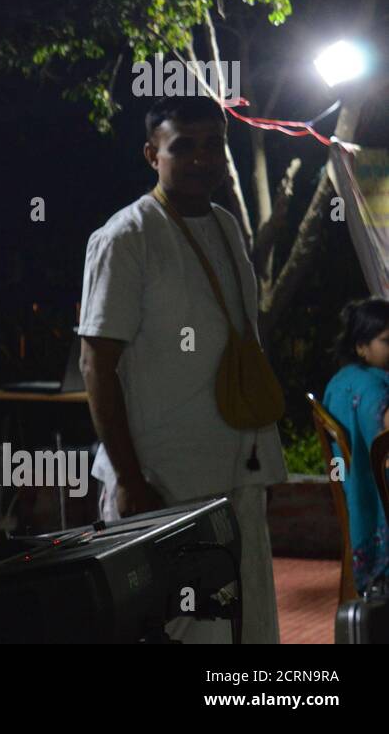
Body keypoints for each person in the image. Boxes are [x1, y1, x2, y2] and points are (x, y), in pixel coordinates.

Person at [79, 94, 285, 643]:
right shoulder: (126, 236)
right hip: (163, 485)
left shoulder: (225, 226)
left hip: (236, 475)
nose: (201, 159)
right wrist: (128, 479)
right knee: (178, 632)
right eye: (183, 147)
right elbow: (95, 365)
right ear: (153, 154)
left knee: (244, 631)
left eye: (213, 145)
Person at [323, 297, 389, 594]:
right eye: (387, 340)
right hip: (378, 495)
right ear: (361, 346)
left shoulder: (340, 382)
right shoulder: (373, 387)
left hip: (356, 494)